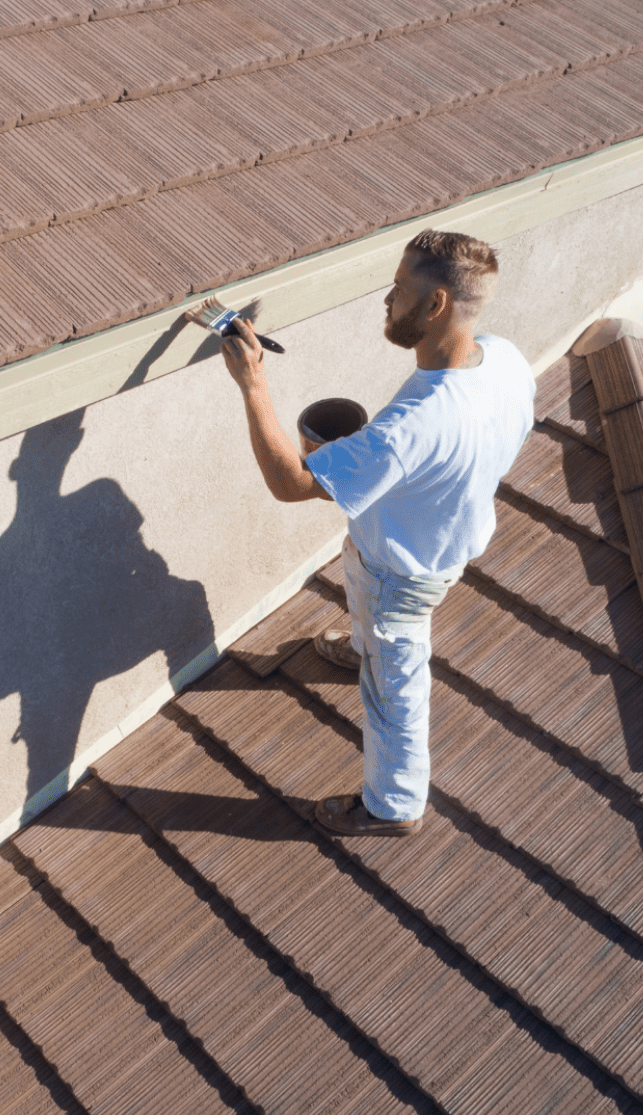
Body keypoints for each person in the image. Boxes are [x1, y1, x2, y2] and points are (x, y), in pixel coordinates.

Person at [217, 229, 534, 837]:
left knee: (395, 692)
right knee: (366, 597)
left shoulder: (414, 425)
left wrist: (254, 385)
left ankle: (393, 805)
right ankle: (362, 646)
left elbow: (290, 483)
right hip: (428, 541)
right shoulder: (504, 358)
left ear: (436, 305)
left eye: (398, 289)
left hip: (405, 573)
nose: (386, 301)